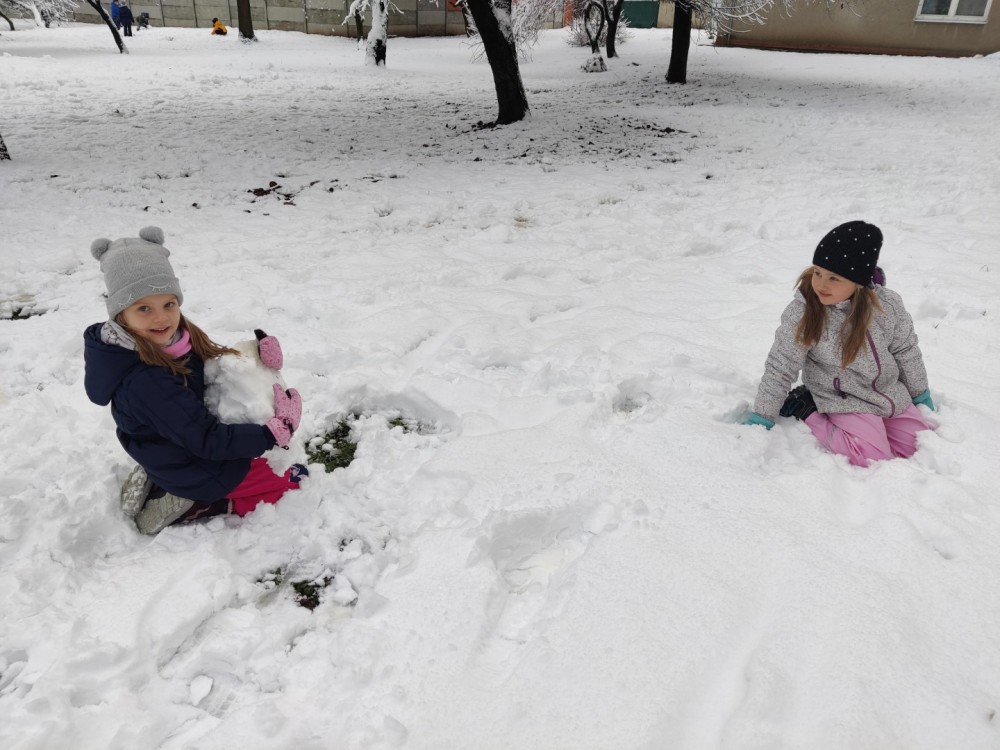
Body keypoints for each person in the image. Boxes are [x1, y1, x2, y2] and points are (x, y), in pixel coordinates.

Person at [84, 227, 306, 534]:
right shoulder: (148, 383)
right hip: (197, 465)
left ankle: (163, 477)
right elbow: (207, 440)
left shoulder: (171, 338)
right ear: (121, 313)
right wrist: (272, 434)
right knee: (292, 478)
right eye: (144, 308)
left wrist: (258, 357)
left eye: (168, 304)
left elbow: (212, 367)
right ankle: (199, 505)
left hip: (173, 448)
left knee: (258, 457)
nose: (161, 317)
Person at [743, 220, 934, 467]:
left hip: (887, 392)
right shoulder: (804, 313)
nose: (821, 284)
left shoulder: (888, 306)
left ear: (858, 281)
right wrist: (763, 416)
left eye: (833, 278)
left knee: (918, 445)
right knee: (872, 457)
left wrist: (920, 394)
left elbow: (905, 350)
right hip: (842, 397)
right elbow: (781, 365)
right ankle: (805, 408)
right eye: (818, 273)